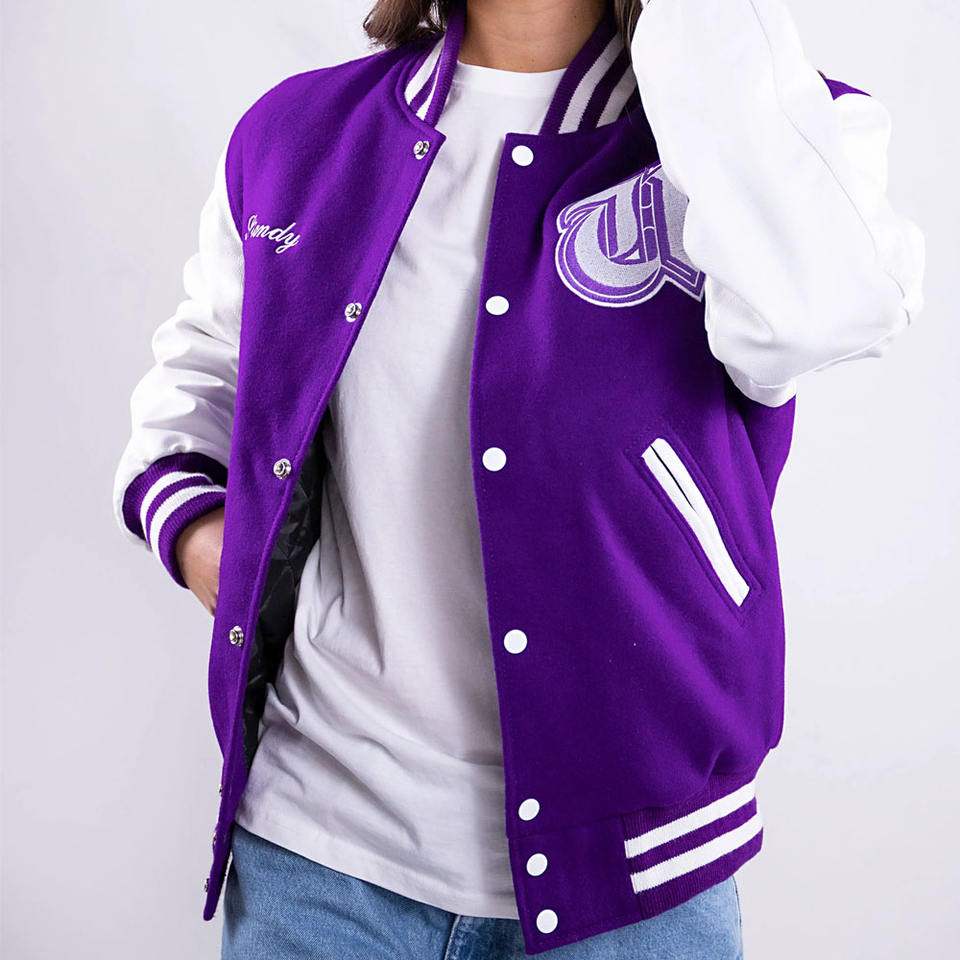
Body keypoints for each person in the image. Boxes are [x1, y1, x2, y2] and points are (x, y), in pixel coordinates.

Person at [111, 0, 925, 956]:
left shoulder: (773, 135)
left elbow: (824, 313)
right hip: (316, 856)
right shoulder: (300, 133)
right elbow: (207, 377)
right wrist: (205, 538)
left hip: (638, 878)